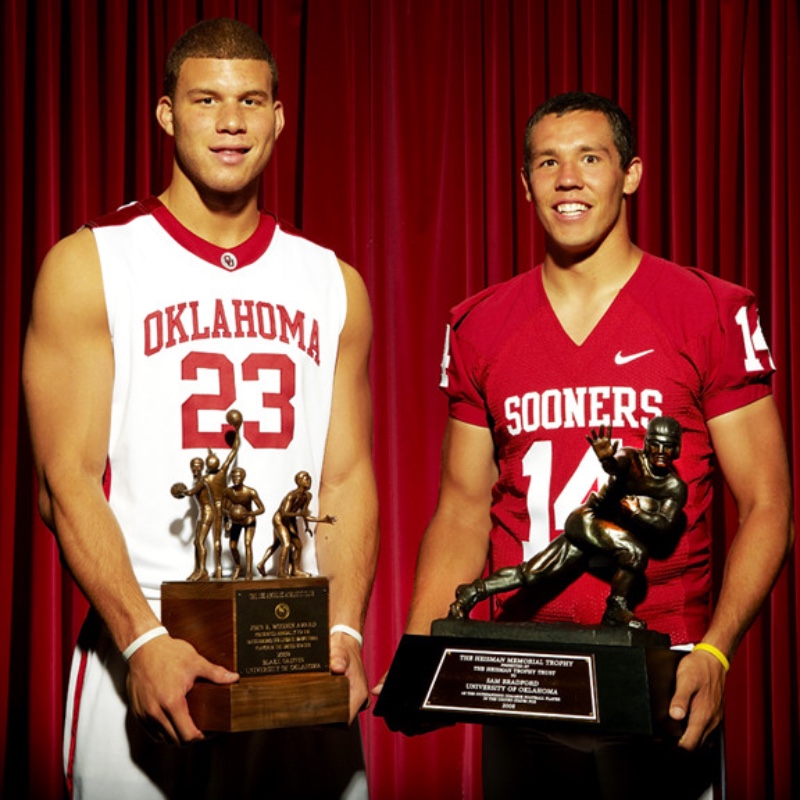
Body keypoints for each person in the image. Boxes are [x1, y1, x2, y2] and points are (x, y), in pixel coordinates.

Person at [399, 92, 793, 799]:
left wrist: (717, 651)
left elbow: (768, 503)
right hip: (521, 670)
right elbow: (461, 508)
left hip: (659, 667)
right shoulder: (480, 324)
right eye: (548, 163)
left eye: (590, 158)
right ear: (526, 184)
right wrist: (421, 654)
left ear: (630, 174)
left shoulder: (706, 309)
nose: (568, 179)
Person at [23, 17, 378, 800]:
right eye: (206, 99)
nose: (230, 122)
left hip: (293, 645)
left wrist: (345, 628)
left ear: (278, 118)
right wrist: (141, 639)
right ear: (166, 114)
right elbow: (63, 482)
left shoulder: (332, 283)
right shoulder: (91, 263)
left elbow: (346, 477)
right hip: (150, 640)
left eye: (250, 101)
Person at [449, 417, 688, 629]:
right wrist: (607, 459)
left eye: (667, 446)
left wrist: (637, 513)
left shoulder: (674, 487)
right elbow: (616, 465)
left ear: (676, 449)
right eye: (655, 444)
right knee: (634, 553)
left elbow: (664, 525)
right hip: (588, 520)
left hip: (603, 535)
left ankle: (472, 592)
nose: (660, 451)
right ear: (646, 444)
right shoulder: (631, 459)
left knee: (532, 573)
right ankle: (616, 609)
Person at [258, 470, 336, 579]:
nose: (309, 480)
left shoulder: (308, 496)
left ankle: (294, 570)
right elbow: (284, 513)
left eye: (309, 478)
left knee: (296, 545)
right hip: (280, 519)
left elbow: (305, 515)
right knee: (286, 544)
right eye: (306, 478)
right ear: (299, 481)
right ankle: (281, 571)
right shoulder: (291, 496)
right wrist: (300, 514)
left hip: (290, 519)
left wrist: (323, 520)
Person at [170, 456, 216, 581]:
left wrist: (180, 490)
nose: (195, 468)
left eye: (198, 466)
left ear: (202, 467)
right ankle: (197, 569)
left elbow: (190, 493)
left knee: (200, 542)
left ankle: (203, 571)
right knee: (196, 542)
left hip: (208, 512)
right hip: (202, 512)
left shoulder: (202, 481)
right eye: (193, 466)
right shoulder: (196, 481)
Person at [222, 466, 265, 581]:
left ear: (243, 477)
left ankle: (249, 571)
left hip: (249, 520)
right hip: (236, 521)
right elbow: (222, 509)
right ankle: (238, 566)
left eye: (238, 476)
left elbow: (262, 509)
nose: (235, 478)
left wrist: (249, 513)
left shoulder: (250, 492)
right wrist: (228, 518)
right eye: (233, 476)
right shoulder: (227, 492)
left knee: (247, 543)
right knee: (232, 546)